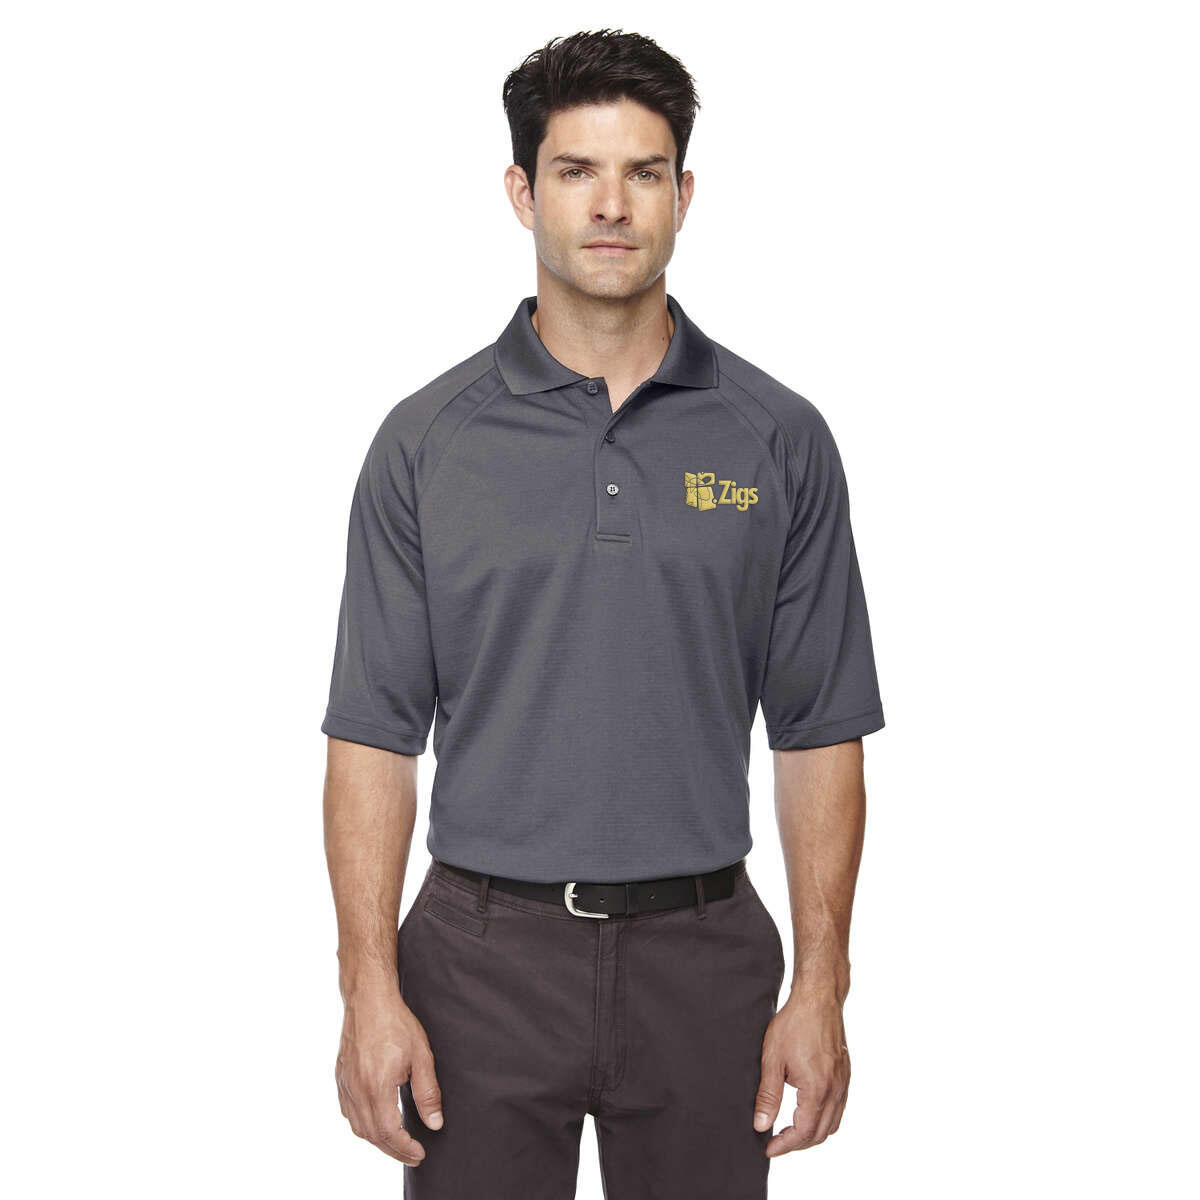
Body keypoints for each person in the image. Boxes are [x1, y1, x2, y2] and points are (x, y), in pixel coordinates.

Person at [321, 28, 884, 1199]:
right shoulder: (425, 445)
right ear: (523, 193)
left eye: (643, 173)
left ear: (685, 195)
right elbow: (372, 738)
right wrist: (367, 990)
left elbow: (819, 731)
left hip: (706, 958)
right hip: (478, 963)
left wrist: (823, 985)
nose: (612, 206)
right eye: (577, 171)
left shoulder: (779, 441)